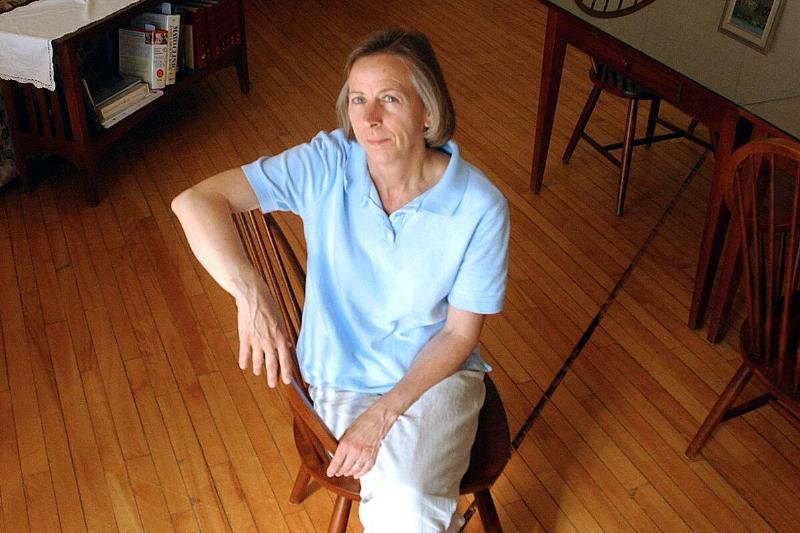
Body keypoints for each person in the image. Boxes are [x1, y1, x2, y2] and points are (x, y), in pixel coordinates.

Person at [171, 27, 509, 533]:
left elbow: (460, 335)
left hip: (434, 377)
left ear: (428, 114)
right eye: (357, 100)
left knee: (408, 501)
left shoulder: (480, 206)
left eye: (389, 99)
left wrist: (385, 415)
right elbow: (194, 201)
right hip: (341, 377)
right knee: (405, 507)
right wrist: (252, 293)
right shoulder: (328, 162)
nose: (368, 119)